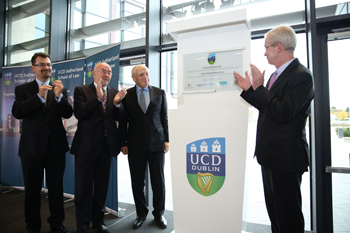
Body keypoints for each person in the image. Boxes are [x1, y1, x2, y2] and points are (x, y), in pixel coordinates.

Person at [233, 25, 315, 233]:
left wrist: (259, 89)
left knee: (288, 217)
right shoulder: (274, 76)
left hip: (286, 159)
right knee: (275, 215)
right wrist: (250, 90)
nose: (264, 52)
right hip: (269, 155)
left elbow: (283, 112)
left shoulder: (302, 76)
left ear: (279, 47)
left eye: (266, 47)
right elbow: (268, 107)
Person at [12, 52, 73, 233]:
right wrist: (38, 96)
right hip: (32, 149)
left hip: (55, 148)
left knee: (56, 189)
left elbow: (68, 113)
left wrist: (58, 97)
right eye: (42, 65)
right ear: (34, 68)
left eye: (49, 65)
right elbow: (18, 112)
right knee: (32, 191)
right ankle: (33, 225)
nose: (47, 68)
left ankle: (57, 223)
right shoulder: (23, 89)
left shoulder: (59, 89)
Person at [70, 62, 127, 233]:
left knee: (102, 187)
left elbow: (121, 117)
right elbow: (80, 114)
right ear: (93, 74)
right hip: (86, 148)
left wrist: (117, 104)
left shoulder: (114, 92)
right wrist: (97, 98)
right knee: (83, 190)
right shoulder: (81, 90)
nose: (106, 75)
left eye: (109, 72)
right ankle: (83, 225)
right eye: (103, 71)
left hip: (106, 147)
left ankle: (98, 221)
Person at [120, 65, 169, 229]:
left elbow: (164, 118)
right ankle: (141, 213)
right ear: (133, 77)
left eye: (147, 73)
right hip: (135, 144)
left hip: (156, 143)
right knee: (136, 181)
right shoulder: (127, 95)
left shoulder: (159, 92)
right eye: (141, 74)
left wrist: (167, 140)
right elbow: (123, 121)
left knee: (158, 180)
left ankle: (159, 213)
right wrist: (123, 142)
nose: (145, 77)